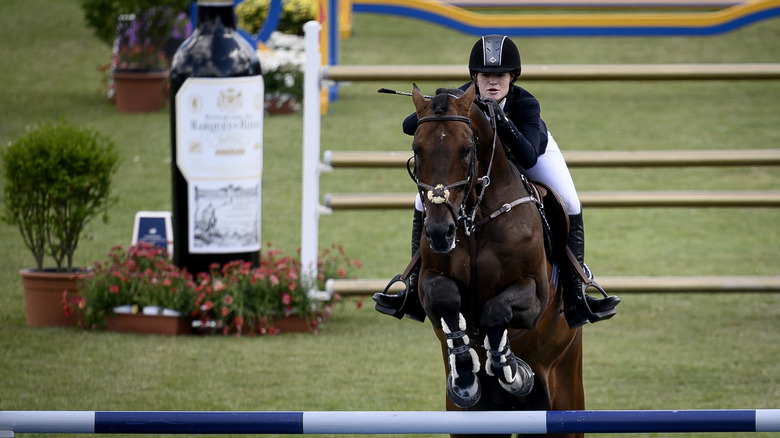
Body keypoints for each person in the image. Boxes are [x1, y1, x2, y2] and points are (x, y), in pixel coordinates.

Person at [374, 35, 619, 329]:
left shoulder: (526, 104)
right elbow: (408, 126)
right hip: (480, 165)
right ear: (474, 77)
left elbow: (528, 157)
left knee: (569, 200)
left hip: (531, 151)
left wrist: (501, 120)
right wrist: (438, 105)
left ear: (512, 77)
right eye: (485, 75)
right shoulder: (463, 99)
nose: (492, 81)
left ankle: (578, 292)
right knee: (423, 200)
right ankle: (413, 289)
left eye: (500, 75)